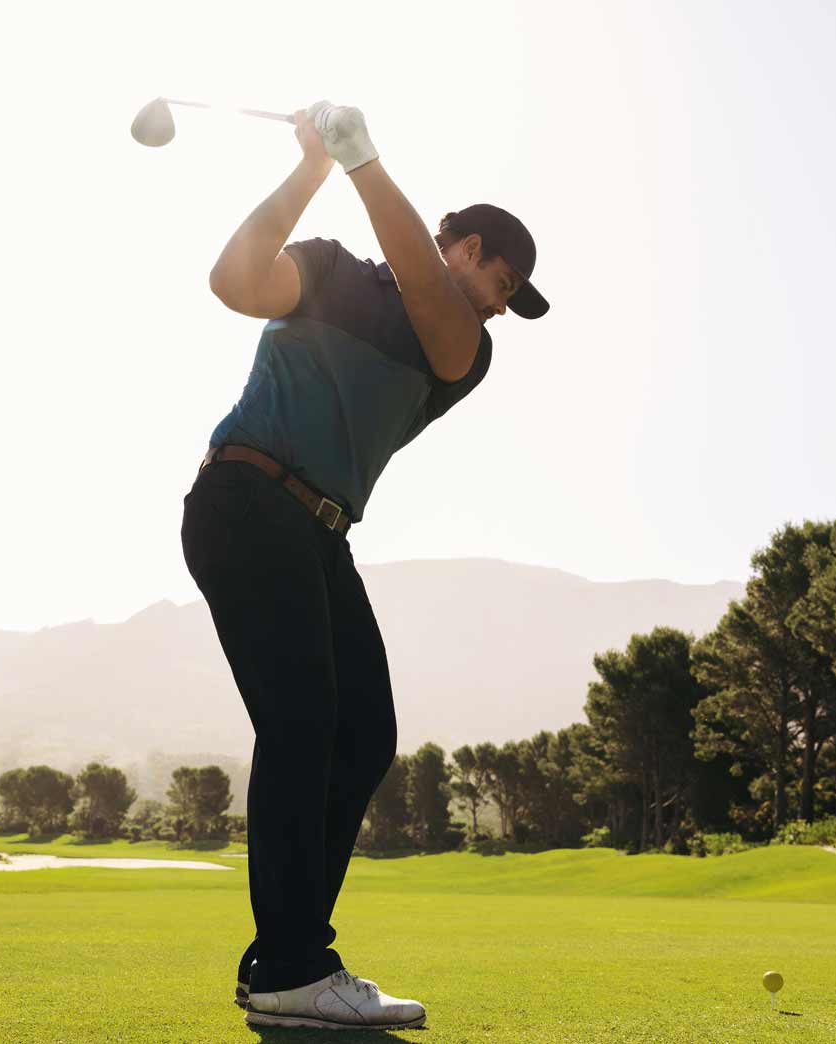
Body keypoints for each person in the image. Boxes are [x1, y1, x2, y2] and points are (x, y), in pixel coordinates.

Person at [179, 99, 549, 1031]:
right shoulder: (334, 268)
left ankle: (284, 956)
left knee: (363, 736)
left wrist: (365, 163)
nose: (503, 301)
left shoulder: (465, 347)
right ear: (458, 245)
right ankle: (297, 965)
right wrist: (314, 165)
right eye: (500, 277)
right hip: (246, 500)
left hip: (318, 531)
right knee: (305, 722)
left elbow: (442, 327)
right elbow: (231, 281)